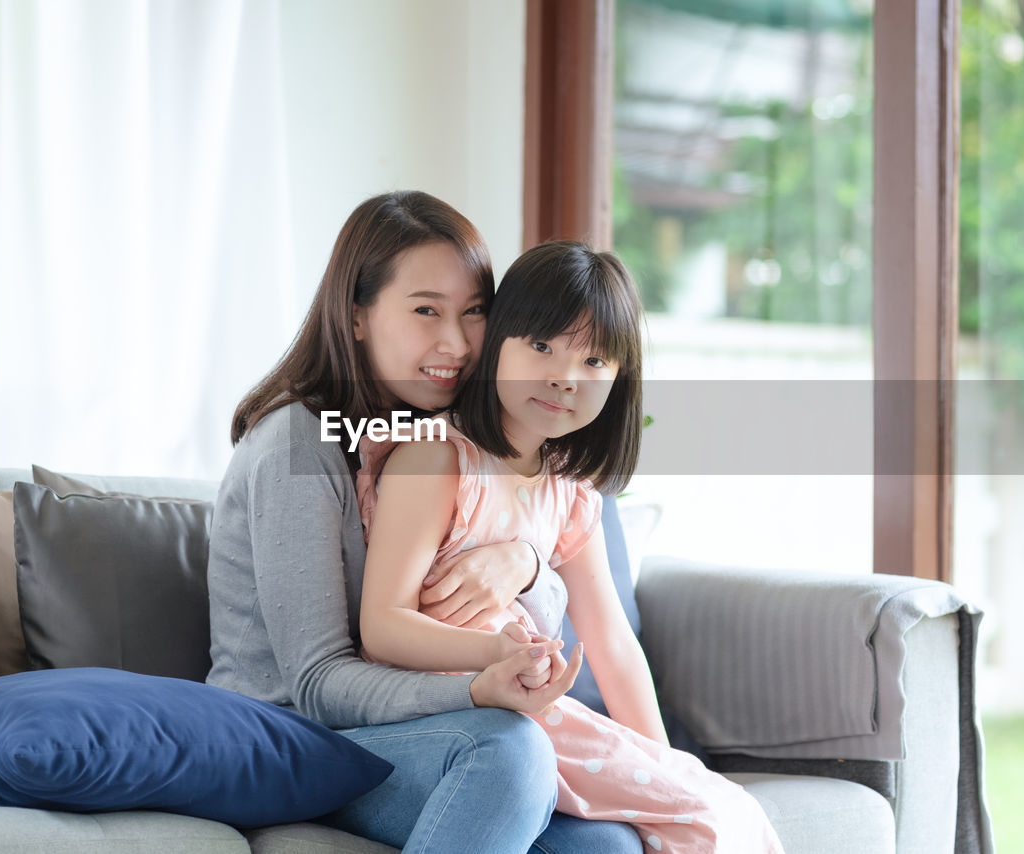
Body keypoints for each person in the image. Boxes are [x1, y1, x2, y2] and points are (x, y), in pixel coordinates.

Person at [206, 191, 643, 854]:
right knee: (510, 754)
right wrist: (476, 686)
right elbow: (322, 684)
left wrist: (524, 563)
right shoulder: (297, 446)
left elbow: (545, 582)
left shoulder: (442, 441)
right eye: (425, 312)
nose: (456, 343)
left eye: (473, 313)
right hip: (294, 741)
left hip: (400, 736)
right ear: (356, 317)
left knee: (606, 846)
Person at [355, 241, 786, 853]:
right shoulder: (437, 459)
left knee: (711, 803)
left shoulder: (569, 491)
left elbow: (611, 641)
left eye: (594, 361)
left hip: (524, 703)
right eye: (541, 346)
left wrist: (662, 762)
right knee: (707, 818)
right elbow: (382, 626)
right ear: (498, 339)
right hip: (451, 716)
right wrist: (493, 652)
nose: (563, 376)